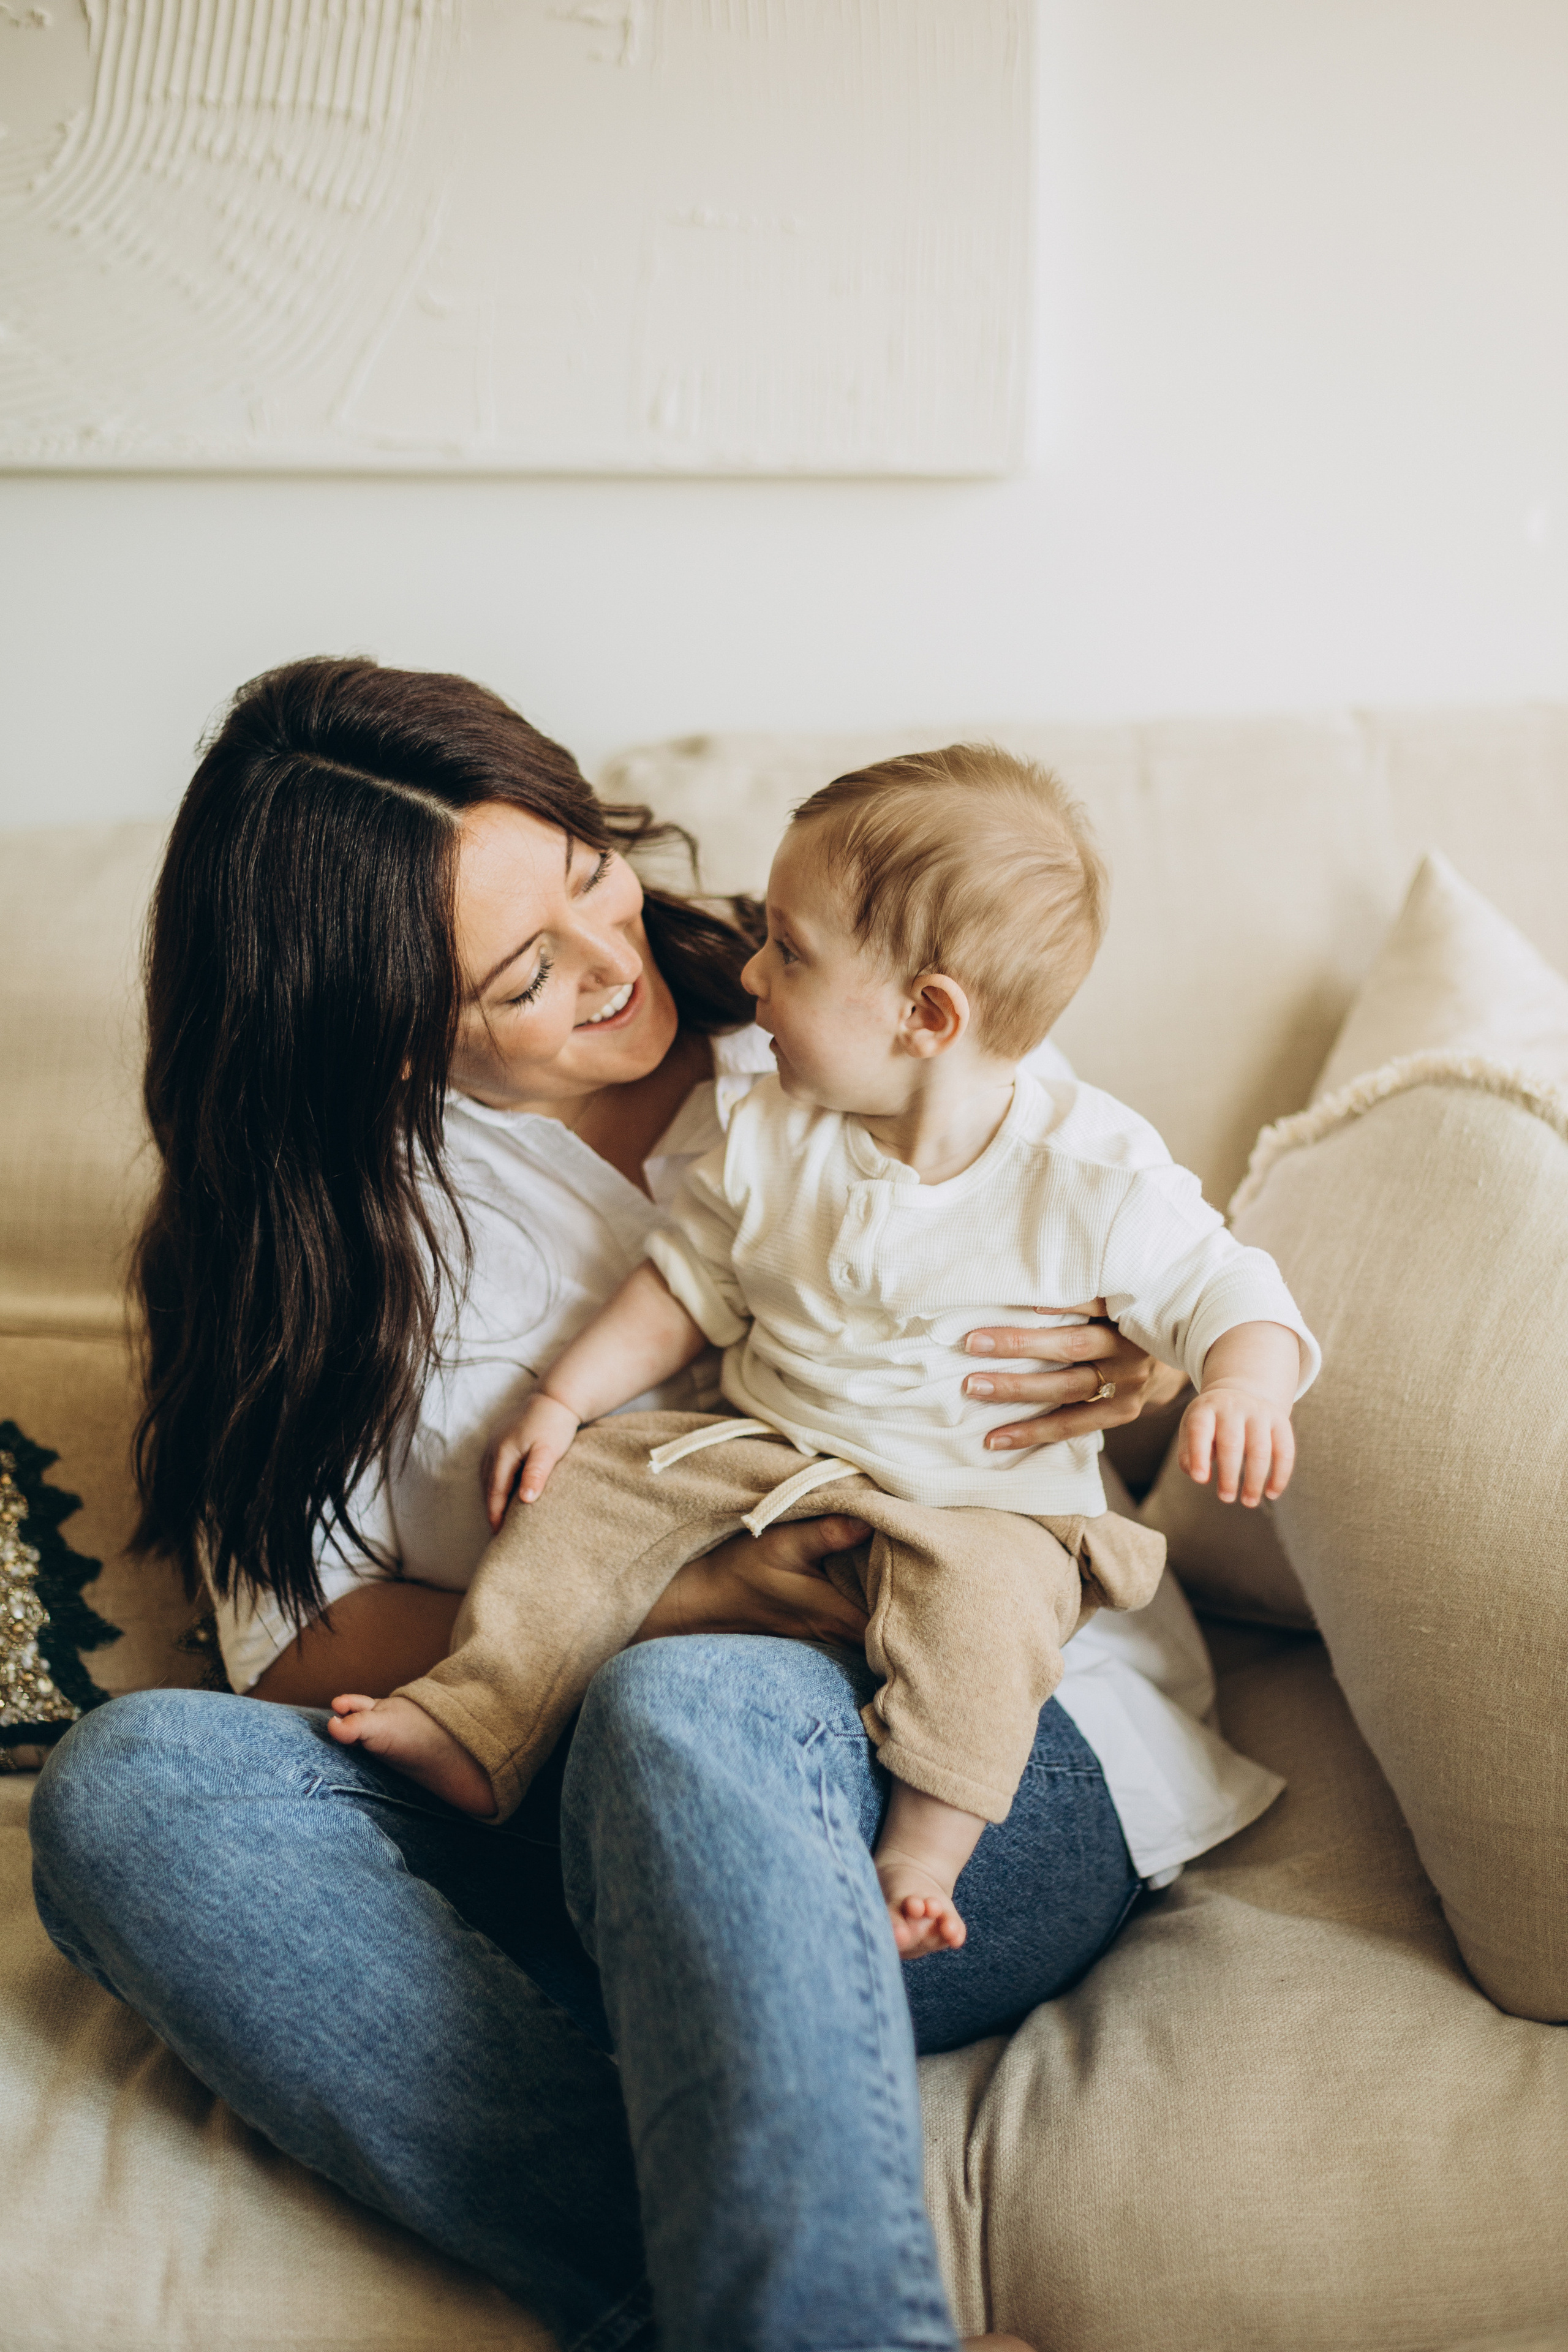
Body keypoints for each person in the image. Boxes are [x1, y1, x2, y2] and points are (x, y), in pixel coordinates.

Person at [29, 658, 1283, 2352]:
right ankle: (737, 2295)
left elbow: (1127, 1256)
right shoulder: (307, 1242)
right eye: (529, 970)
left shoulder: (830, 995)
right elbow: (303, 1644)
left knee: (688, 1709)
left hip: (964, 1772)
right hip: (535, 1779)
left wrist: (1153, 1369)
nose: (620, 960)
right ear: (371, 1022)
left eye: (590, 865)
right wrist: (699, 1597)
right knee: (135, 1791)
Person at [330, 746, 1316, 1956]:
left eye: (594, 877)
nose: (748, 972)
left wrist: (1228, 1379)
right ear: (401, 1033)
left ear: (928, 1017)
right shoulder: (775, 1128)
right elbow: (683, 1283)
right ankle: (478, 1722)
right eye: (529, 971)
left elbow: (1220, 1282)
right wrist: (559, 1400)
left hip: (978, 1508)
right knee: (587, 1490)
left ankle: (922, 1851)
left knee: (986, 1617)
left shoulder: (1080, 1164)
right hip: (760, 1461)